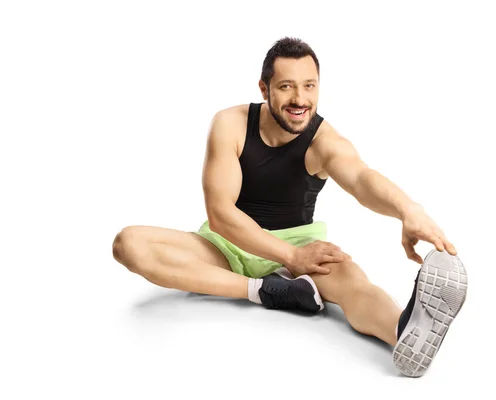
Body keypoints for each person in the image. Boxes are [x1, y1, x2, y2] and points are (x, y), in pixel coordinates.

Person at [112, 37, 468, 378]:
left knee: (355, 284)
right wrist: (286, 260)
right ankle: (265, 290)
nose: (300, 99)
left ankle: (404, 331)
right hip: (227, 245)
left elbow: (361, 179)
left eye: (310, 86)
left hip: (301, 248)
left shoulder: (325, 141)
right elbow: (220, 214)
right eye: (286, 87)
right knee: (129, 244)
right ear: (264, 88)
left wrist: (408, 210)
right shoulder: (231, 124)